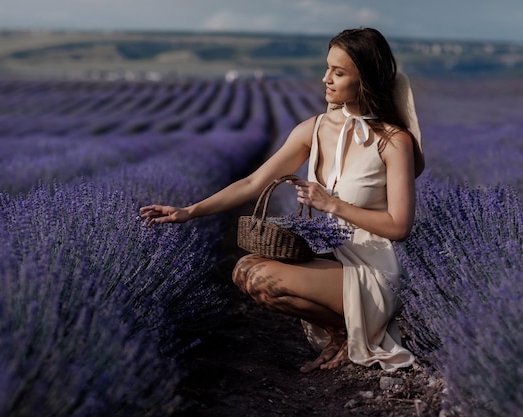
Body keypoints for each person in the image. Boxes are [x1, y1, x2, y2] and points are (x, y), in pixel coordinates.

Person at [140, 28, 424, 372]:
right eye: (327, 68)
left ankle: (356, 331)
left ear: (365, 79)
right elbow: (253, 181)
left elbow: (399, 226)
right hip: (329, 258)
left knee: (263, 278)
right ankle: (341, 333)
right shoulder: (314, 128)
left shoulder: (394, 142)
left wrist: (333, 205)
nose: (325, 79)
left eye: (338, 72)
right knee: (245, 271)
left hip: (372, 271)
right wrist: (189, 211)